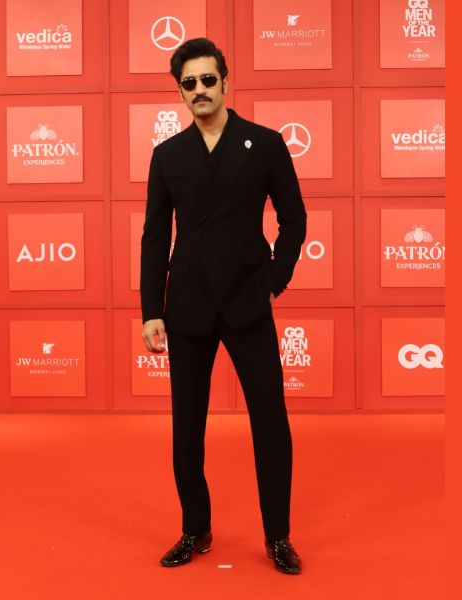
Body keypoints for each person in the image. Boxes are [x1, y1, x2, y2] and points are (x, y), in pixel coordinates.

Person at [139, 38, 307, 575]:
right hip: (187, 307)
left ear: (225, 83)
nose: (200, 90)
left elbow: (294, 219)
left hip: (247, 303)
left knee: (270, 422)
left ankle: (277, 535)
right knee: (186, 427)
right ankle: (195, 528)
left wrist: (273, 281)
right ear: (180, 92)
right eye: (188, 83)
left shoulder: (266, 144)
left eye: (208, 80)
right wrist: (151, 309)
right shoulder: (168, 156)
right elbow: (154, 237)